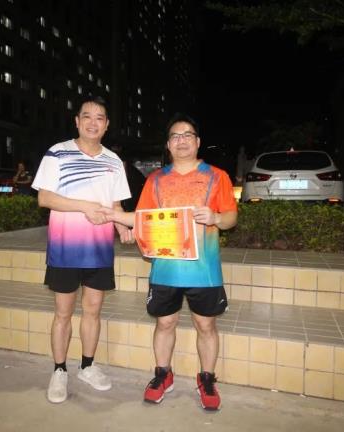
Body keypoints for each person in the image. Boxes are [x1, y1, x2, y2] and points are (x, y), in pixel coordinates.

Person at [100, 113, 238, 411]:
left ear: (198, 142)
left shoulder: (218, 176)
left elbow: (231, 218)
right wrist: (115, 218)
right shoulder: (156, 180)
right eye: (175, 136)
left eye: (187, 135)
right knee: (165, 323)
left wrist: (215, 217)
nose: (182, 140)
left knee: (206, 325)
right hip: (165, 268)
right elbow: (143, 219)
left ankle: (207, 378)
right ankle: (163, 374)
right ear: (168, 144)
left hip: (204, 271)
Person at [31, 96, 132, 404]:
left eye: (99, 118)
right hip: (65, 248)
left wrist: (122, 227)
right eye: (86, 116)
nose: (92, 122)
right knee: (63, 313)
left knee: (93, 310)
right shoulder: (57, 153)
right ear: (77, 121)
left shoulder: (114, 161)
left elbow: (115, 205)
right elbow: (45, 198)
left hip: (99, 250)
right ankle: (59, 370)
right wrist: (84, 207)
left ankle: (87, 366)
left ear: (107, 125)